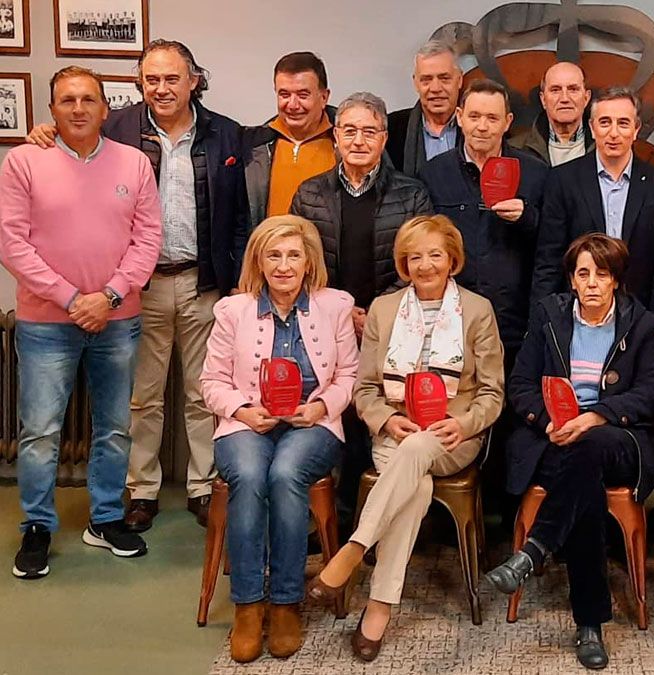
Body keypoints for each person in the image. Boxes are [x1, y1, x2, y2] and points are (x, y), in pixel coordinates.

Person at [24, 40, 249, 532]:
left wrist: (235, 283)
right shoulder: (118, 125)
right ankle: (142, 489)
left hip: (203, 283)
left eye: (172, 78)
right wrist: (43, 131)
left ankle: (200, 485)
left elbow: (240, 218)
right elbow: (70, 135)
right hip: (135, 288)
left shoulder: (227, 134)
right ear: (139, 84)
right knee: (141, 398)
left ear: (194, 80)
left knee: (202, 393)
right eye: (151, 79)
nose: (161, 88)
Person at [306, 215, 505, 662]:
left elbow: (493, 393)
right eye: (415, 256)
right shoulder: (383, 309)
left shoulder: (477, 310)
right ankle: (379, 608)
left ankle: (353, 550)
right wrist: (386, 421)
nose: (425, 265)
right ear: (403, 263)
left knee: (417, 454)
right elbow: (365, 389)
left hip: (454, 436)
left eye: (435, 255)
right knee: (415, 482)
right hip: (396, 432)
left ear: (452, 260)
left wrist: (467, 424)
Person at [3, 66, 162, 579]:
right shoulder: (24, 162)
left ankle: (106, 518)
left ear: (104, 108)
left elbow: (147, 240)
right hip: (46, 322)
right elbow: (12, 243)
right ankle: (37, 527)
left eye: (88, 99)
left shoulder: (134, 163)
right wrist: (73, 299)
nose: (78, 108)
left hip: (118, 319)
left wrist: (109, 296)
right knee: (41, 431)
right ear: (51, 109)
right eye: (67, 100)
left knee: (115, 427)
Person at [485, 233, 654, 670]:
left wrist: (595, 416)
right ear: (571, 279)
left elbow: (648, 395)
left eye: (602, 274)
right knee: (582, 481)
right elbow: (521, 386)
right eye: (583, 273)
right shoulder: (549, 317)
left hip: (617, 438)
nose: (593, 283)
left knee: (588, 451)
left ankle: (535, 549)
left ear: (617, 280)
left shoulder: (640, 324)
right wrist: (548, 423)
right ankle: (589, 623)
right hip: (552, 437)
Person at [200, 215, 359, 663]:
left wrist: (322, 406)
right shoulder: (233, 311)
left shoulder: (335, 306)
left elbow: (349, 374)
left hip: (312, 424)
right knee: (250, 475)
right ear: (259, 261)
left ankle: (287, 603)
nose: (284, 266)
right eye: (274, 255)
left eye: (293, 255)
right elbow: (210, 381)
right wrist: (244, 411)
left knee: (286, 474)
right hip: (246, 424)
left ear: (309, 262)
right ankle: (249, 606)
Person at [290, 90, 435, 540]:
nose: (358, 139)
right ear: (335, 136)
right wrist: (339, 308)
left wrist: (374, 313)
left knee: (379, 417)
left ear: (384, 137)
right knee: (337, 419)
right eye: (348, 130)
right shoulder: (310, 193)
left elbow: (423, 262)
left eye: (368, 131)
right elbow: (297, 262)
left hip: (394, 327)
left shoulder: (411, 194)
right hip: (325, 325)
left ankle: (377, 524)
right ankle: (332, 522)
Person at [419, 79, 548, 369]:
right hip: (450, 322)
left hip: (514, 323)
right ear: (460, 117)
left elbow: (552, 247)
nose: (482, 126)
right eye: (474, 116)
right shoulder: (433, 174)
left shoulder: (536, 174)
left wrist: (527, 217)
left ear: (507, 122)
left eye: (492, 118)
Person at [532, 86, 654, 333]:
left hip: (640, 318)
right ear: (591, 127)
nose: (613, 133)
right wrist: (541, 323)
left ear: (636, 130)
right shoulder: (563, 180)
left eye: (623, 123)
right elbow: (548, 260)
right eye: (605, 122)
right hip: (576, 317)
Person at [244, 52, 336, 226]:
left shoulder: (346, 144)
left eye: (303, 95)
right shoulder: (254, 146)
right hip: (271, 252)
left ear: (324, 97)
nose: (293, 105)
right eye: (284, 95)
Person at [386, 40, 464, 176]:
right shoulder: (391, 129)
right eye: (426, 80)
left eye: (444, 78)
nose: (435, 88)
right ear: (416, 83)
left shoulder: (478, 128)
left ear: (459, 80)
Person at [510, 61, 594, 166]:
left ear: (586, 98)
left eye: (573, 89)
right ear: (543, 99)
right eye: (555, 90)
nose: (564, 98)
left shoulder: (605, 147)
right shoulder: (514, 151)